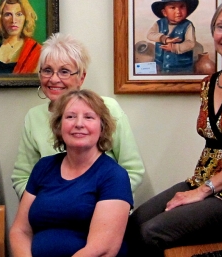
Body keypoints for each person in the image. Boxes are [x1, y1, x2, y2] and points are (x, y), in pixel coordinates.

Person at [131, 0, 222, 256]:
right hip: (201, 181)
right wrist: (199, 189)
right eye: (221, 27)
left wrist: (203, 192)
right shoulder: (209, 82)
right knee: (136, 221)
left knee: (151, 233)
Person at [11, 33, 145, 200]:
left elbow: (133, 170)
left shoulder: (108, 108)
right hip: (51, 214)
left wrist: (98, 204)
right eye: (47, 70)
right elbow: (22, 178)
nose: (54, 79)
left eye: (64, 71)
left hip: (103, 210)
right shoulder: (33, 117)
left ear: (81, 77)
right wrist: (48, 206)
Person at [10, 89, 133, 257]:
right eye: (70, 117)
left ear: (102, 127)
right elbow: (20, 230)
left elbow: (102, 248)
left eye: (89, 117)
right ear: (59, 126)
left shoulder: (114, 176)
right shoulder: (43, 167)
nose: (79, 124)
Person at [147, 0, 199, 74]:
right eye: (172, 8)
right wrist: (164, 38)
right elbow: (150, 34)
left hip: (182, 68)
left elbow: (190, 43)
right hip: (160, 65)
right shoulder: (159, 23)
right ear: (164, 12)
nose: (178, 11)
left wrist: (174, 47)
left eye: (182, 6)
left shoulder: (188, 25)